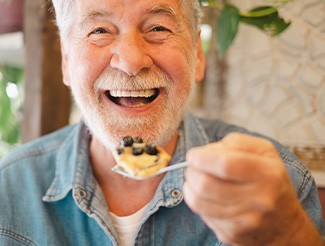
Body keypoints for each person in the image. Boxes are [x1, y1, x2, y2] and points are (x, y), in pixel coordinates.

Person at [0, 0, 324, 245]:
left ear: (197, 55)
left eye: (158, 28)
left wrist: (288, 233)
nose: (130, 62)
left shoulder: (282, 183)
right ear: (67, 63)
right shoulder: (9, 188)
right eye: (99, 31)